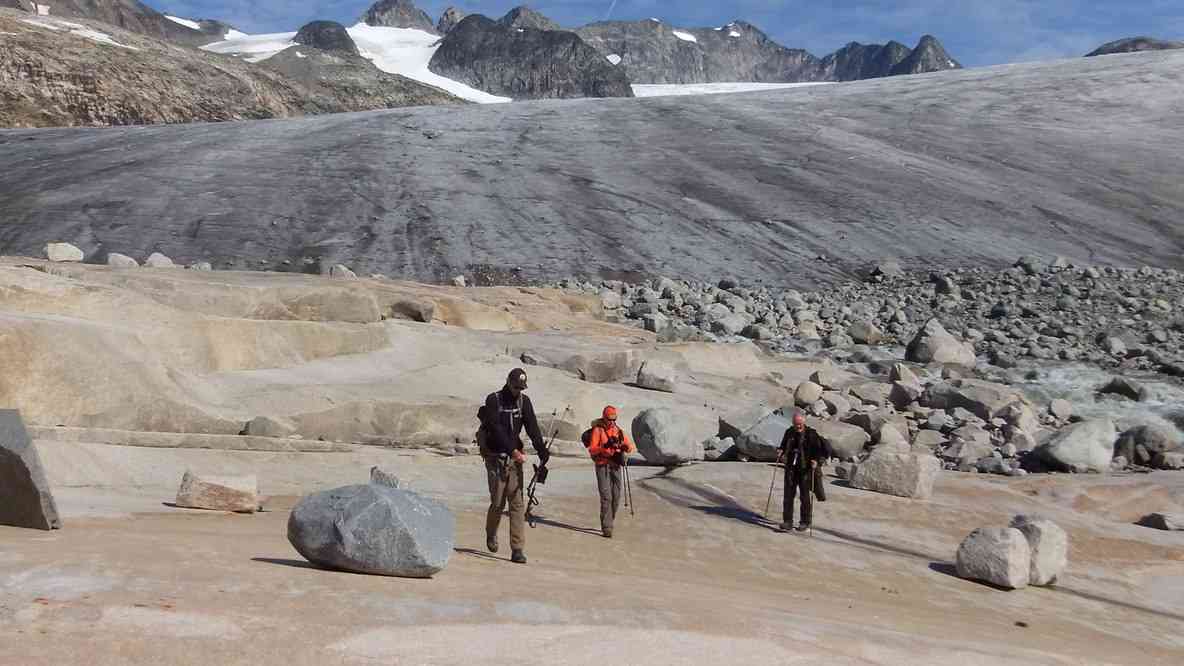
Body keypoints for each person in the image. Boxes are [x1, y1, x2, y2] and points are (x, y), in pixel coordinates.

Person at [480, 368, 550, 564]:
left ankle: (517, 549)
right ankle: (491, 534)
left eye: (521, 388)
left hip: (514, 461)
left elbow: (532, 427)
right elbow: (496, 430)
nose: (517, 391)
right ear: (508, 382)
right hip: (496, 458)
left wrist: (542, 450)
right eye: (515, 387)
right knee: (497, 502)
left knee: (517, 503)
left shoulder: (523, 402)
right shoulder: (494, 400)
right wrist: (513, 451)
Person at [586, 406, 635, 538]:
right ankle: (607, 526)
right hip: (602, 466)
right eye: (610, 419)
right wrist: (605, 447)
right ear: (604, 417)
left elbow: (630, 447)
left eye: (614, 419)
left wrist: (625, 447)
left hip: (615, 466)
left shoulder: (618, 431)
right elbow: (592, 449)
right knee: (606, 496)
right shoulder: (598, 430)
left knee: (616, 496)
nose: (612, 422)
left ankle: (609, 520)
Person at [777, 412, 827, 532]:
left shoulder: (811, 434)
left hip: (805, 470)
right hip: (791, 468)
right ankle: (787, 522)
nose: (798, 426)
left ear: (803, 422)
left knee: (804, 497)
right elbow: (783, 445)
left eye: (800, 424)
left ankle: (805, 522)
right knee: (788, 496)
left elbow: (820, 450)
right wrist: (780, 451)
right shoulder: (789, 432)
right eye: (795, 424)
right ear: (793, 423)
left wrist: (816, 461)